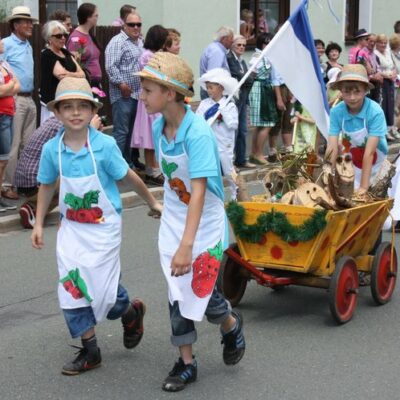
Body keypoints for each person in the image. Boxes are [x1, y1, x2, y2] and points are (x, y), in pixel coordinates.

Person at [31, 77, 162, 375]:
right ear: (57, 113)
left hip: (104, 228)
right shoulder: (53, 150)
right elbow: (46, 185)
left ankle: (129, 312)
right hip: (72, 230)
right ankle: (90, 351)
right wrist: (38, 222)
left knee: (102, 291)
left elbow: (128, 176)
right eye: (68, 107)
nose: (75, 113)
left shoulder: (103, 145)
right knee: (73, 286)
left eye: (82, 107)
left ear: (92, 111)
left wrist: (151, 201)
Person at [137, 52, 245, 392]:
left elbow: (198, 192)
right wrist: (163, 207)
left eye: (148, 89)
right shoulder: (159, 126)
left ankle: (228, 323)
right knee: (177, 291)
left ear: (169, 93)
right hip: (175, 218)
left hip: (205, 221)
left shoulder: (197, 133)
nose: (142, 95)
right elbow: (173, 181)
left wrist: (187, 245)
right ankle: (186, 363)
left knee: (204, 294)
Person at [15, 115, 102, 229]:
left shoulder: (53, 121)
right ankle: (81, 211)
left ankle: (31, 208)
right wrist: (93, 131)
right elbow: (79, 154)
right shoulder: (64, 126)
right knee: (76, 173)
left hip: (23, 183)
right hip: (36, 183)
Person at [326, 64, 387, 197]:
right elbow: (332, 148)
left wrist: (364, 187)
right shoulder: (336, 111)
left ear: (365, 90)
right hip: (351, 162)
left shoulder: (375, 112)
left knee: (374, 196)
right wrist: (328, 179)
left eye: (357, 91)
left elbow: (370, 152)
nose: (352, 97)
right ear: (340, 91)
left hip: (376, 163)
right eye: (347, 92)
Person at [2, 6, 37, 200]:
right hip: (15, 99)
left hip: (29, 98)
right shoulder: (5, 44)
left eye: (30, 21)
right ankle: (7, 185)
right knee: (13, 145)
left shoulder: (27, 45)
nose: (30, 25)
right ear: (16, 25)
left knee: (28, 144)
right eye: (26, 21)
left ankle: (23, 183)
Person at [130, 24, 169, 186]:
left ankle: (154, 168)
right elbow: (153, 76)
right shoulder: (147, 56)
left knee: (154, 135)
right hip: (150, 96)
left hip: (153, 96)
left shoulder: (152, 54)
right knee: (149, 134)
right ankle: (152, 170)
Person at [105, 11, 144, 168]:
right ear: (124, 25)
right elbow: (110, 66)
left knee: (131, 133)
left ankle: (127, 163)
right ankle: (115, 166)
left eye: (138, 24)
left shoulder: (140, 42)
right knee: (121, 133)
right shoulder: (118, 41)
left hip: (137, 94)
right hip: (123, 95)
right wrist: (121, 83)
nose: (135, 27)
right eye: (131, 24)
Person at [197, 68, 239, 200]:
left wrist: (224, 112)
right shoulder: (204, 104)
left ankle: (236, 193)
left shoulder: (229, 105)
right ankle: (213, 197)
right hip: (209, 141)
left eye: (211, 88)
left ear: (220, 88)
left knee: (228, 170)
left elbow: (233, 125)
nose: (209, 91)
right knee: (210, 170)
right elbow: (197, 121)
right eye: (207, 88)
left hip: (224, 143)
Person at [40, 21, 85, 123]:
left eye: (64, 35)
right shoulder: (47, 54)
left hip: (67, 101)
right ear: (49, 38)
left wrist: (68, 74)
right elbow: (61, 76)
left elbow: (82, 74)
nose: (63, 38)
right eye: (59, 36)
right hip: (53, 104)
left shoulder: (66, 53)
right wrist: (74, 74)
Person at [248, 32, 279, 165]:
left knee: (261, 124)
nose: (269, 44)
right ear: (262, 43)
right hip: (260, 89)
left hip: (263, 89)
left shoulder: (265, 56)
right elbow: (252, 72)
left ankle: (254, 153)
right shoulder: (258, 56)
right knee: (266, 123)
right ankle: (258, 153)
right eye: (267, 42)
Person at [227, 35, 255, 168]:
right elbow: (239, 76)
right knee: (234, 130)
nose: (242, 47)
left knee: (243, 130)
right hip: (234, 99)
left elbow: (248, 78)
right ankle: (230, 161)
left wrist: (249, 77)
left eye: (244, 45)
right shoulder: (229, 59)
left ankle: (241, 159)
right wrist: (249, 77)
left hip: (243, 98)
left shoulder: (242, 61)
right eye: (239, 45)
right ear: (232, 45)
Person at [0, 36, 20, 212]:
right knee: (1, 160)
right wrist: (10, 86)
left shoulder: (4, 64)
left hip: (8, 114)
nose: (2, 44)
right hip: (1, 116)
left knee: (4, 159)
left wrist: (10, 87)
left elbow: (18, 85)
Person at [67, 3, 102, 88]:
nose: (97, 18)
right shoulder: (75, 38)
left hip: (95, 83)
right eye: (95, 15)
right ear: (88, 17)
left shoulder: (89, 35)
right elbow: (72, 64)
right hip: (84, 83)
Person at [199, 26, 234, 99]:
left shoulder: (214, 48)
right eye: (231, 38)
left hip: (212, 92)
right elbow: (213, 76)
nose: (232, 41)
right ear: (224, 39)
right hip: (214, 94)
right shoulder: (217, 51)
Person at [374, 34, 398, 141]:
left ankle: (389, 129)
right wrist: (387, 75)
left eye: (385, 43)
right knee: (382, 106)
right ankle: (382, 131)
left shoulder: (388, 53)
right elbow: (376, 70)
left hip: (391, 82)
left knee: (390, 106)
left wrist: (394, 73)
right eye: (381, 43)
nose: (383, 45)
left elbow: (393, 66)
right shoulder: (375, 54)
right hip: (382, 82)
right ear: (377, 43)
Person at [356, 33, 383, 104]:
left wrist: (379, 74)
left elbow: (378, 67)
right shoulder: (361, 53)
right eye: (371, 41)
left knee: (376, 104)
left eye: (374, 42)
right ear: (366, 41)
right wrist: (373, 76)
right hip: (366, 83)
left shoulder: (374, 54)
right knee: (367, 103)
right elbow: (360, 67)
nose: (372, 43)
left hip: (375, 84)